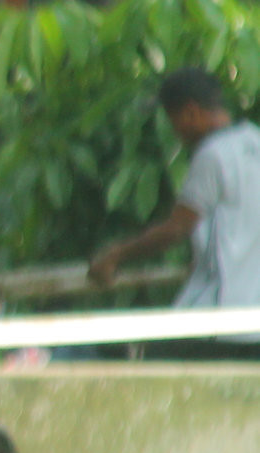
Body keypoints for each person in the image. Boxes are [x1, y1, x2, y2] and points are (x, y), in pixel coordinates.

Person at [90, 67, 260, 358]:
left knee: (153, 366)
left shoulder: (213, 154)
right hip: (253, 318)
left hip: (221, 318)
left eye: (174, 119)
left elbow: (177, 228)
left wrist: (115, 255)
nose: (174, 131)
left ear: (191, 113)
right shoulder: (254, 141)